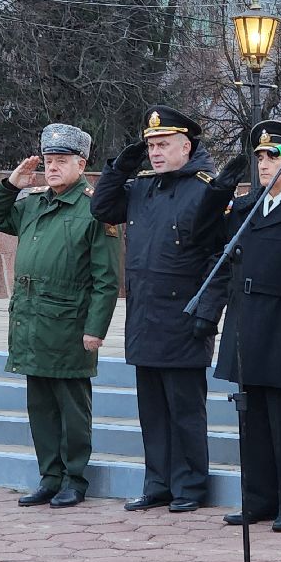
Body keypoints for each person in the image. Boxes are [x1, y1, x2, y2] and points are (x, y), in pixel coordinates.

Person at [193, 121, 281, 533]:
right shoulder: (244, 209)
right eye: (258, 157)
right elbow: (204, 238)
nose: (261, 163)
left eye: (270, 157)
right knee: (250, 416)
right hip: (247, 323)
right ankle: (257, 499)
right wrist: (221, 187)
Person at [0, 123, 121, 509]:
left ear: (82, 164)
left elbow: (106, 279)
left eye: (61, 161)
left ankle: (74, 478)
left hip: (70, 325)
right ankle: (49, 477)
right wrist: (11, 184)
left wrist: (96, 330)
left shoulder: (95, 208)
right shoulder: (33, 203)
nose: (53, 168)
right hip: (31, 320)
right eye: (48, 161)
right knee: (40, 406)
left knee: (72, 408)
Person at [90, 105, 218, 514]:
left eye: (163, 144)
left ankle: (190, 486)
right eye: (150, 145)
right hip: (145, 316)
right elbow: (103, 208)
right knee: (153, 411)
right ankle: (157, 483)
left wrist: (208, 313)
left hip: (185, 317)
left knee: (185, 411)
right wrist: (121, 166)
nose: (155, 152)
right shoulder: (144, 185)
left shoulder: (205, 189)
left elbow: (220, 259)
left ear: (186, 145)